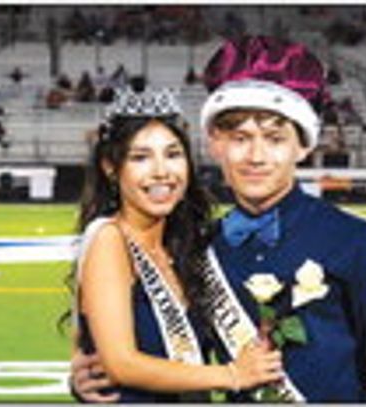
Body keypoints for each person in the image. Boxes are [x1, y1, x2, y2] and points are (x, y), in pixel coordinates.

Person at [70, 35, 366, 402]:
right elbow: (179, 350)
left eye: (274, 139)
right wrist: (91, 379)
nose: (256, 156)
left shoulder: (355, 241)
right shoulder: (202, 246)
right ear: (215, 143)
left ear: (303, 145)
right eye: (240, 138)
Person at [65, 86, 283, 403]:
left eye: (173, 154)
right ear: (112, 168)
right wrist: (232, 375)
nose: (162, 172)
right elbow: (121, 364)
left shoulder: (188, 246)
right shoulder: (110, 240)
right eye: (141, 157)